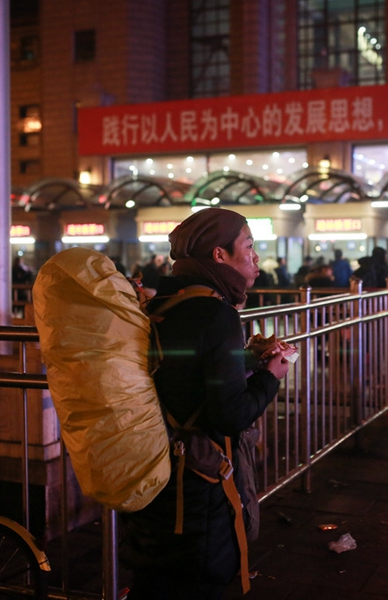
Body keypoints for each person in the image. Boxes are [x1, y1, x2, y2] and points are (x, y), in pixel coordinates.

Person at [120, 208, 289, 599]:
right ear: (219, 255)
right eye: (248, 246)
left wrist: (246, 360)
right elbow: (231, 414)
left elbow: (185, 373)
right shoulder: (216, 314)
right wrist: (270, 377)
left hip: (159, 476)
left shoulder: (165, 302)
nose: (255, 257)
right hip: (198, 496)